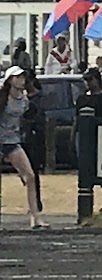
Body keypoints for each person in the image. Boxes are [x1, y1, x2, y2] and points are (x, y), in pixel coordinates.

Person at [0, 66, 47, 229]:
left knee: (30, 176)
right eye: (17, 77)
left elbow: (27, 116)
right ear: (10, 80)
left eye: (22, 77)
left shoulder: (24, 99)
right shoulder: (2, 97)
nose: (22, 80)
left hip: (12, 141)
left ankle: (35, 217)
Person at [73, 69, 102, 211]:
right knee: (86, 170)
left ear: (97, 80)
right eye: (85, 80)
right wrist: (73, 135)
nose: (87, 82)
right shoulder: (82, 99)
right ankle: (88, 202)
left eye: (90, 79)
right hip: (86, 139)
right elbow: (77, 120)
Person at [21, 70, 45, 212]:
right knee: (23, 172)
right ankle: (33, 199)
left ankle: (36, 201)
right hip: (22, 137)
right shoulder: (22, 98)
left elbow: (40, 118)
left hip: (34, 137)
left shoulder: (38, 98)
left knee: (32, 171)